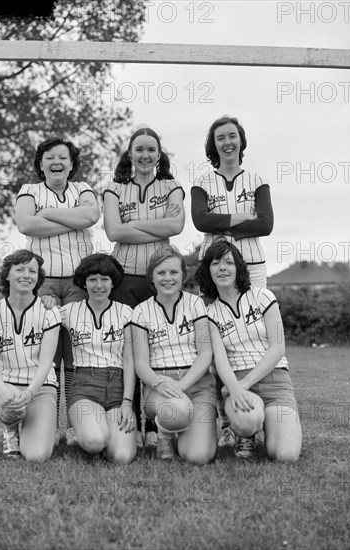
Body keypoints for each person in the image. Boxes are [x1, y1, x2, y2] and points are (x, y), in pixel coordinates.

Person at [190, 115, 274, 450]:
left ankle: (251, 417)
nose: (227, 142)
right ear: (213, 145)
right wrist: (242, 218)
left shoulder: (257, 178)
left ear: (241, 141)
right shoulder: (202, 181)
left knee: (255, 338)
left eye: (232, 136)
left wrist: (221, 224)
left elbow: (266, 224)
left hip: (251, 266)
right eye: (220, 138)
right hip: (213, 265)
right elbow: (199, 220)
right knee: (214, 341)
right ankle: (226, 423)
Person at [14, 136, 100, 446]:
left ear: (72, 164)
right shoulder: (29, 191)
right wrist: (71, 220)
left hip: (80, 283)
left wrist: (47, 214)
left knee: (77, 355)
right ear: (40, 163)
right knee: (46, 357)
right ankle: (46, 426)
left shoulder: (83, 189)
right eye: (50, 157)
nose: (57, 162)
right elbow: (25, 225)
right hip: (44, 281)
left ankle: (75, 427)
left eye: (63, 157)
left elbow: (91, 217)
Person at [103, 127, 185, 447]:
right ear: (130, 153)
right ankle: (131, 422)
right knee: (128, 352)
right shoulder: (114, 188)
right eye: (139, 149)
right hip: (124, 277)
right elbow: (112, 232)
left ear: (159, 154)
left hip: (158, 277)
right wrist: (152, 225)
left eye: (152, 149)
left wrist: (131, 226)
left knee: (155, 351)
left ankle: (153, 427)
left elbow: (176, 226)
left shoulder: (171, 186)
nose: (145, 155)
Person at [195, 240, 302, 462]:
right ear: (208, 271)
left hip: (275, 380)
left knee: (286, 455)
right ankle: (246, 433)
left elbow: (278, 346)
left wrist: (244, 384)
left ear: (239, 268)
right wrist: (236, 388)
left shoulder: (263, 296)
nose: (222, 268)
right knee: (247, 422)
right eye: (215, 263)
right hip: (239, 381)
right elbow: (220, 360)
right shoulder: (209, 313)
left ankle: (269, 422)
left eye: (228, 262)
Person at [130, 246, 217, 462]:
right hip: (160, 386)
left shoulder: (196, 303)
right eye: (161, 273)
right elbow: (140, 363)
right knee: (177, 411)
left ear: (182, 275)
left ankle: (183, 430)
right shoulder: (140, 311)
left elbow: (206, 353)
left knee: (198, 456)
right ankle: (165, 433)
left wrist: (183, 384)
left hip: (196, 383)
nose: (167, 278)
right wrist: (160, 383)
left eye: (173, 272)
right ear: (151, 276)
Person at [0, 249, 61, 462]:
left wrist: (29, 393)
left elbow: (46, 362)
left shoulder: (49, 311)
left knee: (36, 456)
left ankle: (33, 426)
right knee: (9, 407)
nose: (26, 275)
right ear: (7, 275)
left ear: (38, 277)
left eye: (32, 271)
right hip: (7, 383)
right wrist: (6, 394)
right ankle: (9, 430)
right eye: (19, 269)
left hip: (40, 386)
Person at [61, 253, 136, 464]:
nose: (99, 285)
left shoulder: (126, 312)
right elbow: (38, 318)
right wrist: (47, 303)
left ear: (113, 282)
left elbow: (129, 361)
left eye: (104, 279)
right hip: (84, 385)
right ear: (84, 283)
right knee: (95, 441)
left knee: (121, 457)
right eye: (92, 279)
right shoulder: (68, 311)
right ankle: (89, 434)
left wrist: (127, 403)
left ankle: (102, 431)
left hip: (117, 387)